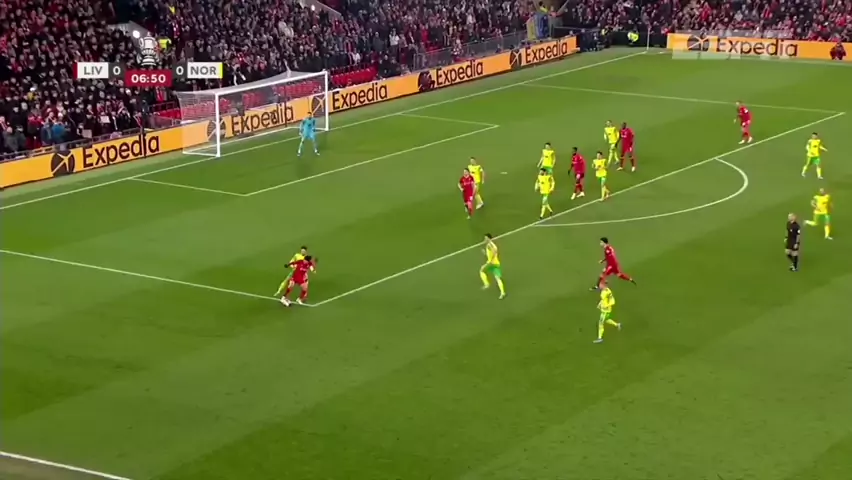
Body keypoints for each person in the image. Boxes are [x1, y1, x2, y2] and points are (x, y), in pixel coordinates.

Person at [479, 233, 506, 299]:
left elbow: (494, 251)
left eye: (486, 238)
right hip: (496, 263)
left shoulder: (490, 244)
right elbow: (491, 253)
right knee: (497, 278)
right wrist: (485, 253)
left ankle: (486, 284)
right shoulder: (491, 245)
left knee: (482, 270)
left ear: (489, 238)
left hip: (491, 263)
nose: (485, 239)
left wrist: (490, 261)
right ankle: (502, 293)